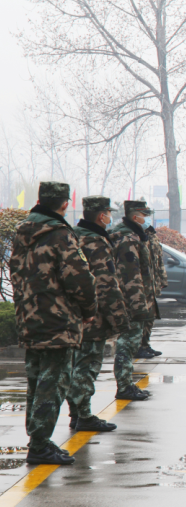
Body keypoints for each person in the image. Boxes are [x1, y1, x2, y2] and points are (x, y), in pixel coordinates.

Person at [10, 182, 97, 465]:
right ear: (64, 203)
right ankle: (39, 445)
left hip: (30, 318)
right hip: (58, 320)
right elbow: (80, 278)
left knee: (37, 381)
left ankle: (39, 440)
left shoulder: (23, 232)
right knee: (54, 382)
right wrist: (88, 310)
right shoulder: (60, 234)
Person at [68, 196, 129, 432]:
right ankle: (83, 416)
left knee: (77, 365)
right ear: (100, 215)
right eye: (107, 212)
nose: (109, 216)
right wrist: (119, 318)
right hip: (93, 316)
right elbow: (106, 284)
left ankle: (77, 414)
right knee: (87, 367)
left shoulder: (73, 235)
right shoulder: (96, 241)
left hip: (73, 313)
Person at [110, 201, 157, 402]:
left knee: (129, 342)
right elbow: (130, 275)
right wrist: (138, 306)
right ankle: (124, 386)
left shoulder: (134, 234)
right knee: (127, 343)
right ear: (133, 215)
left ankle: (126, 384)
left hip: (133, 298)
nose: (145, 218)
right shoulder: (127, 237)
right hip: (131, 300)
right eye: (142, 214)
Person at [136, 212, 167, 359]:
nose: (147, 219)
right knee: (141, 317)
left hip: (151, 284)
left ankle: (145, 344)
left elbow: (158, 260)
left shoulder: (151, 234)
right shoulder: (133, 236)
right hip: (140, 285)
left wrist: (161, 280)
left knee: (150, 317)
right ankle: (138, 346)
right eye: (145, 215)